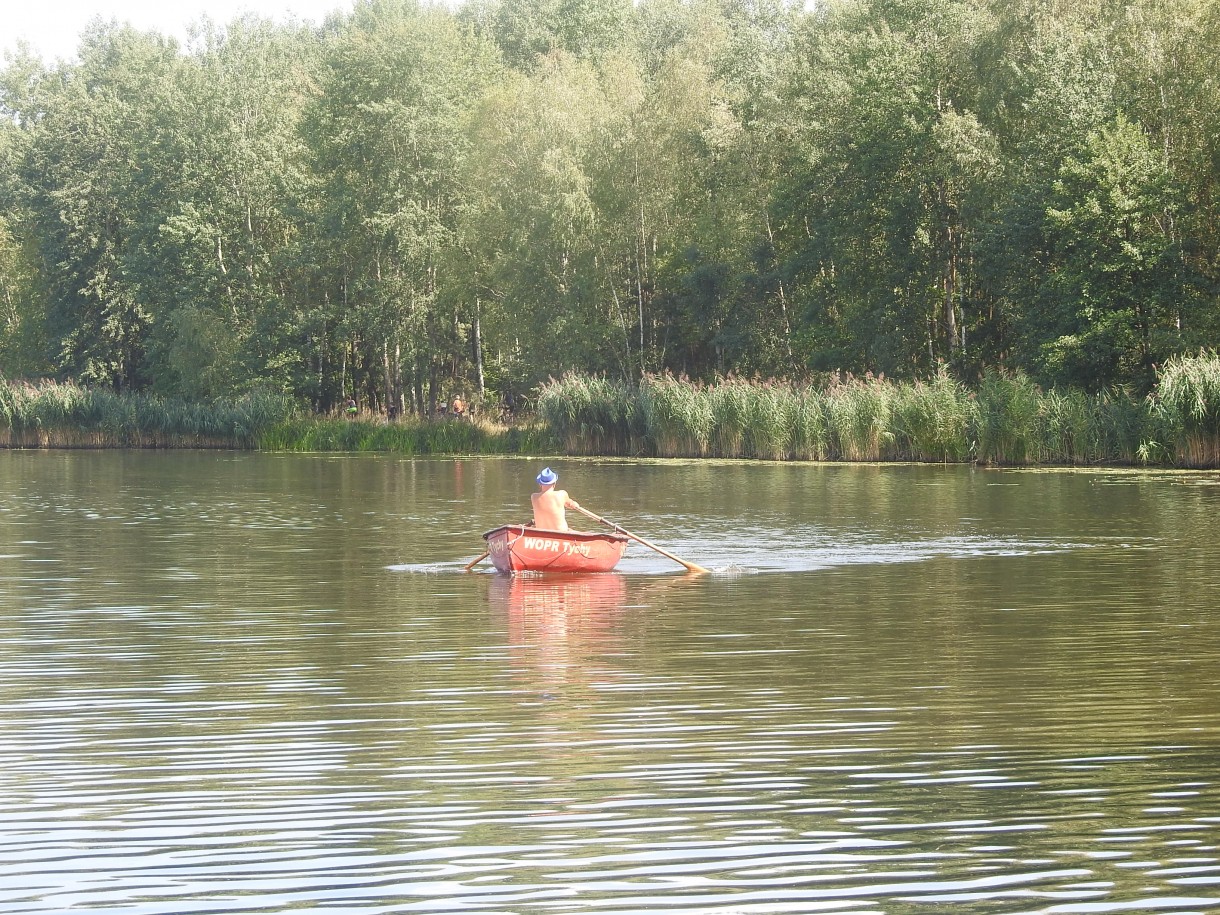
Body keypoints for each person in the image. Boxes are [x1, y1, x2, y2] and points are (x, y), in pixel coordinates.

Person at [531, 466, 579, 531]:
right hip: (561, 533)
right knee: (571, 530)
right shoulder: (561, 494)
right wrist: (573, 504)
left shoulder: (534, 497)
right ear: (554, 483)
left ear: (540, 484)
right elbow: (573, 505)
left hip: (542, 533)